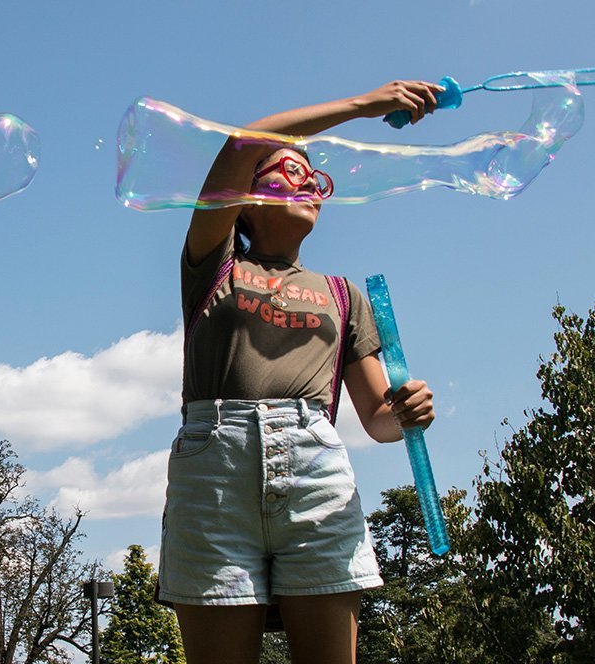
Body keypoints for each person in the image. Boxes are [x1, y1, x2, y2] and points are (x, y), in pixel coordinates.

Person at [157, 81, 442, 664]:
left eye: (315, 179)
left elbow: (379, 421)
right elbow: (241, 144)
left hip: (316, 476)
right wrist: (366, 105)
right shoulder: (213, 264)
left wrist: (407, 413)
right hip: (216, 475)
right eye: (287, 170)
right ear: (245, 198)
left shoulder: (345, 295)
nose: (308, 182)